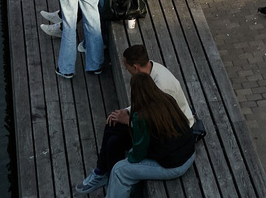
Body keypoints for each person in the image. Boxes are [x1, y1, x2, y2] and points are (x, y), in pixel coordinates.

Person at [78, 48, 196, 194]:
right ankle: (101, 171)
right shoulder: (163, 97)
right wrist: (126, 113)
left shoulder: (154, 102)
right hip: (184, 149)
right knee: (114, 129)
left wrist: (131, 131)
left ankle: (112, 178)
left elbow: (139, 152)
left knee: (119, 170)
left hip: (174, 162)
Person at [108, 83, 202, 190]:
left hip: (175, 166)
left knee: (119, 170)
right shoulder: (168, 100)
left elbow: (138, 155)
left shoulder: (142, 117)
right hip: (190, 153)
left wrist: (129, 122)